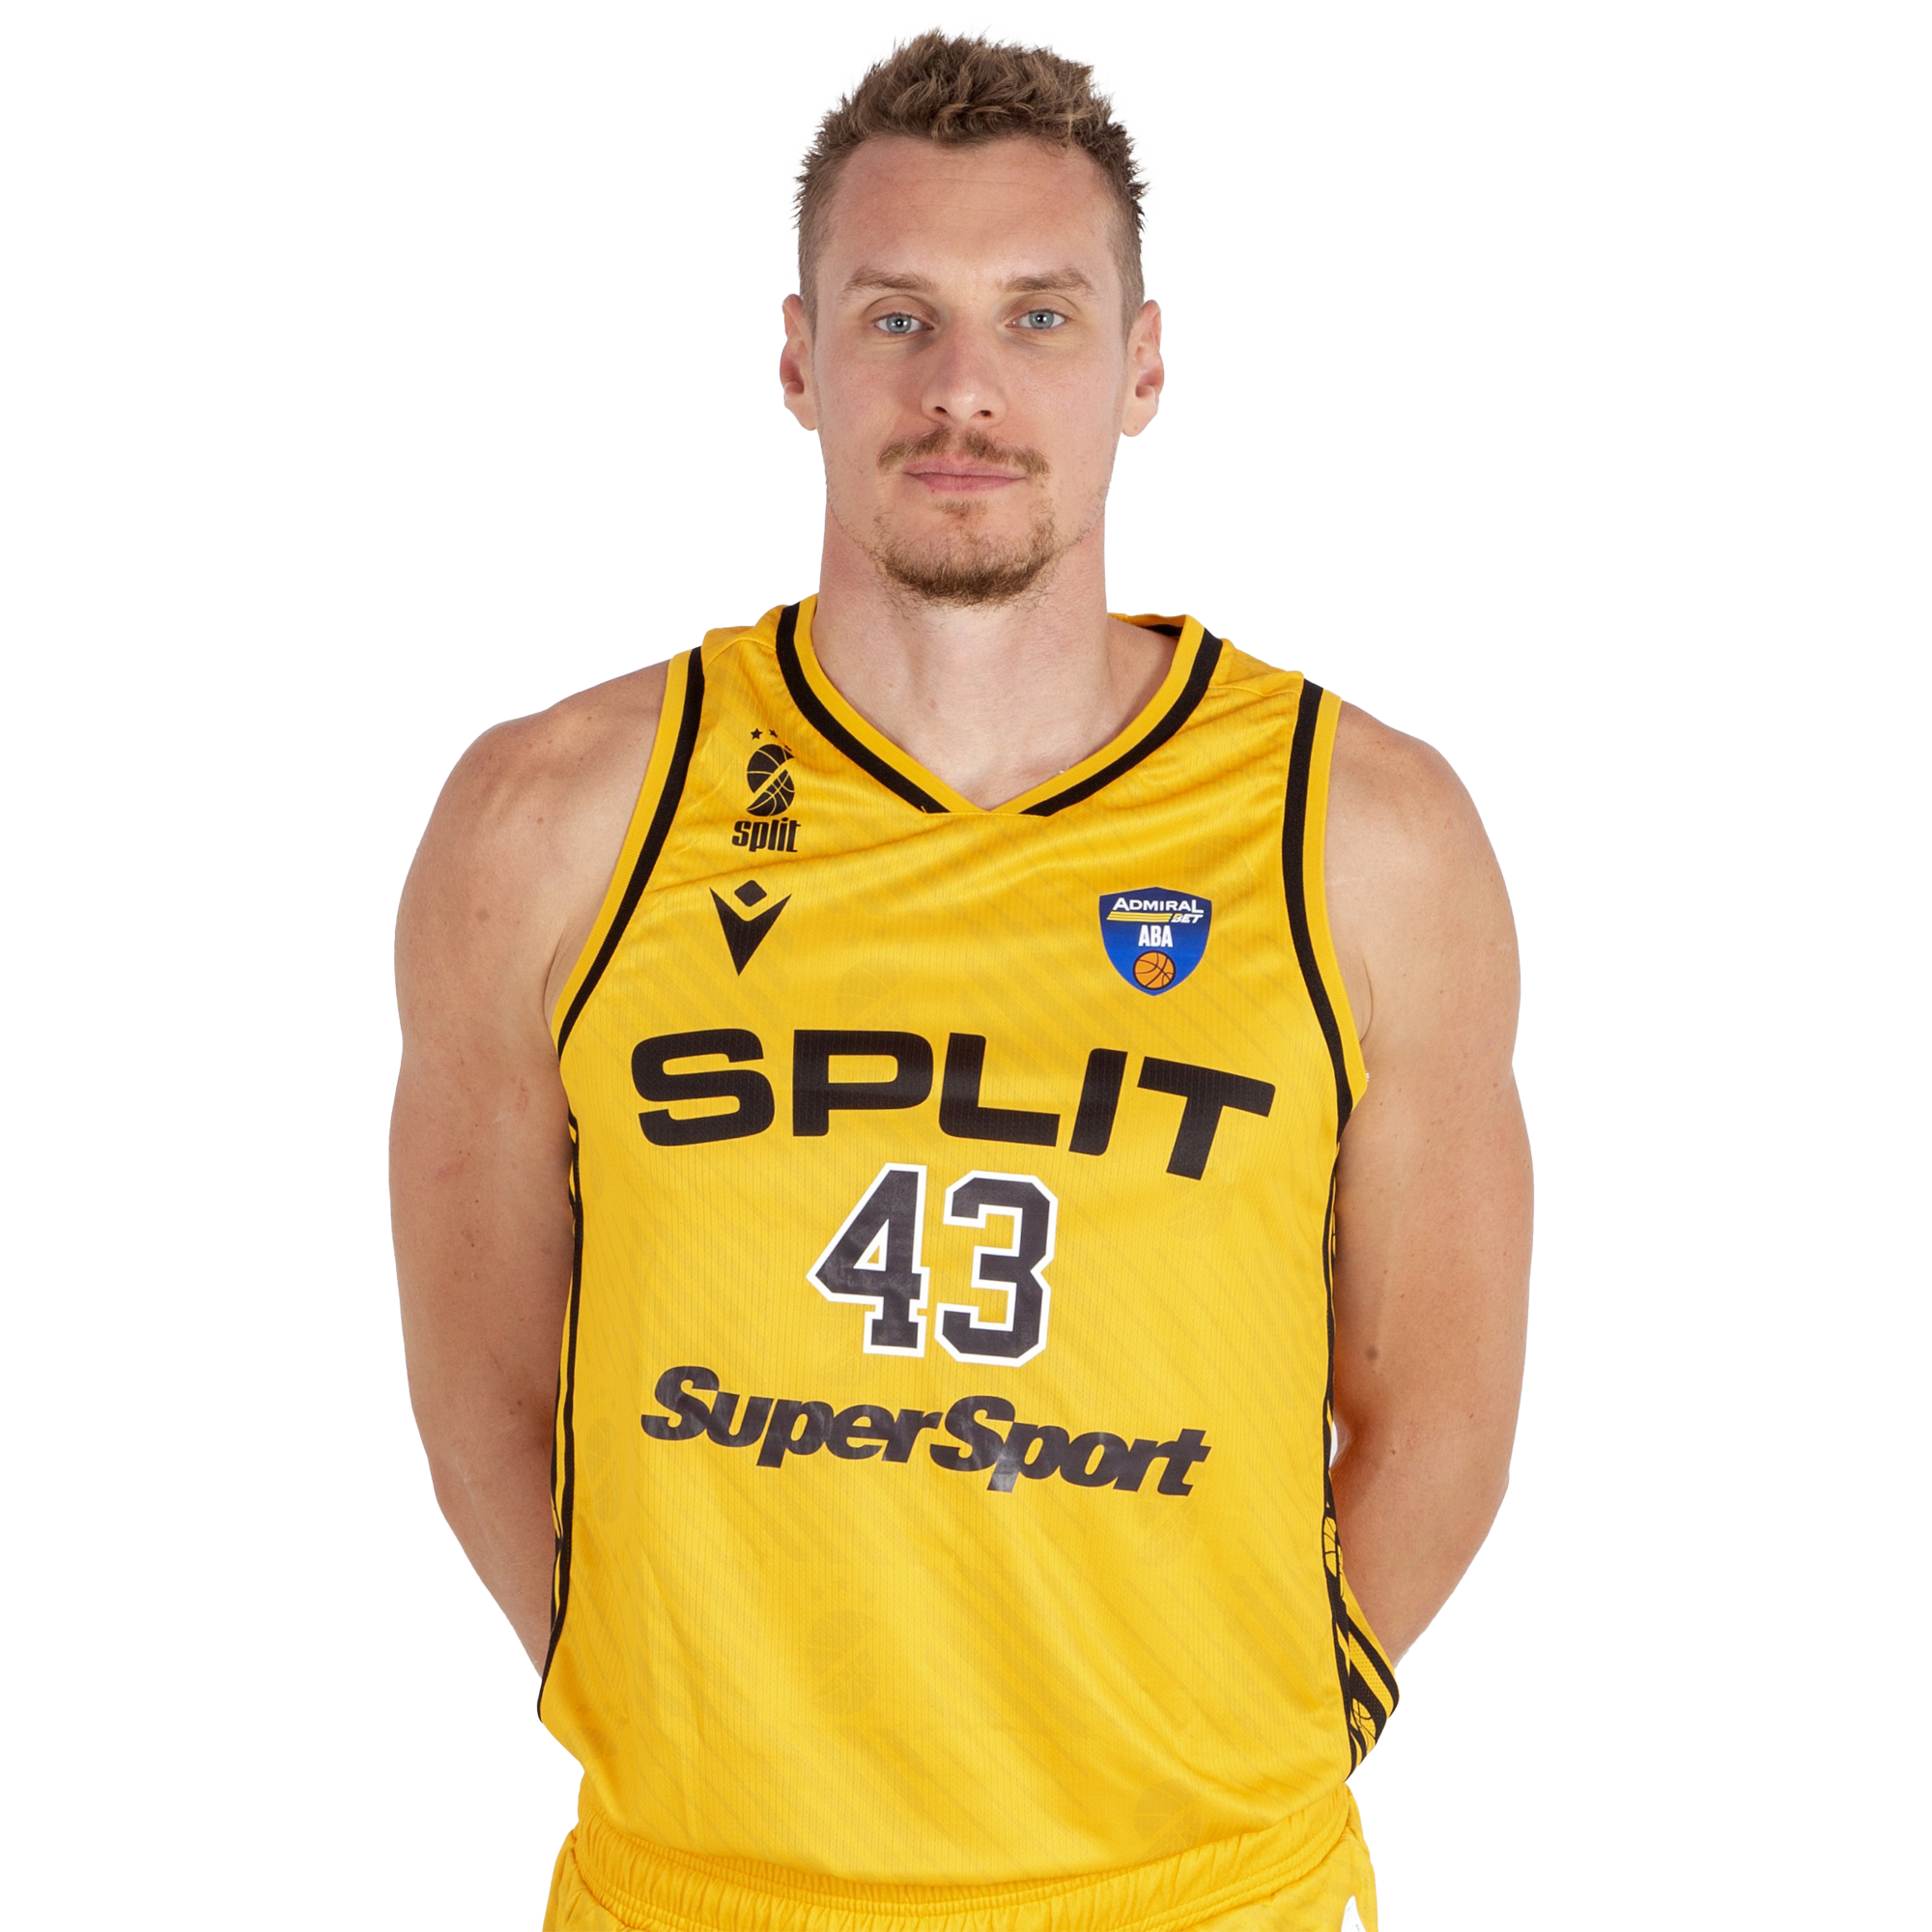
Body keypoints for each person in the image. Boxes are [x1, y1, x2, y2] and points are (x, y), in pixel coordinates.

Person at [391, 27, 1530, 1932]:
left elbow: (1439, 1418)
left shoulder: (1361, 837)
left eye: (1040, 317)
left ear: (1141, 365)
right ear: (799, 358)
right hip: (705, 1894)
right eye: (898, 318)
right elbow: (484, 1394)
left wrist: (1250, 1754)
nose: (965, 389)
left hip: (1197, 1896)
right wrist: (660, 1714)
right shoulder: (554, 822)